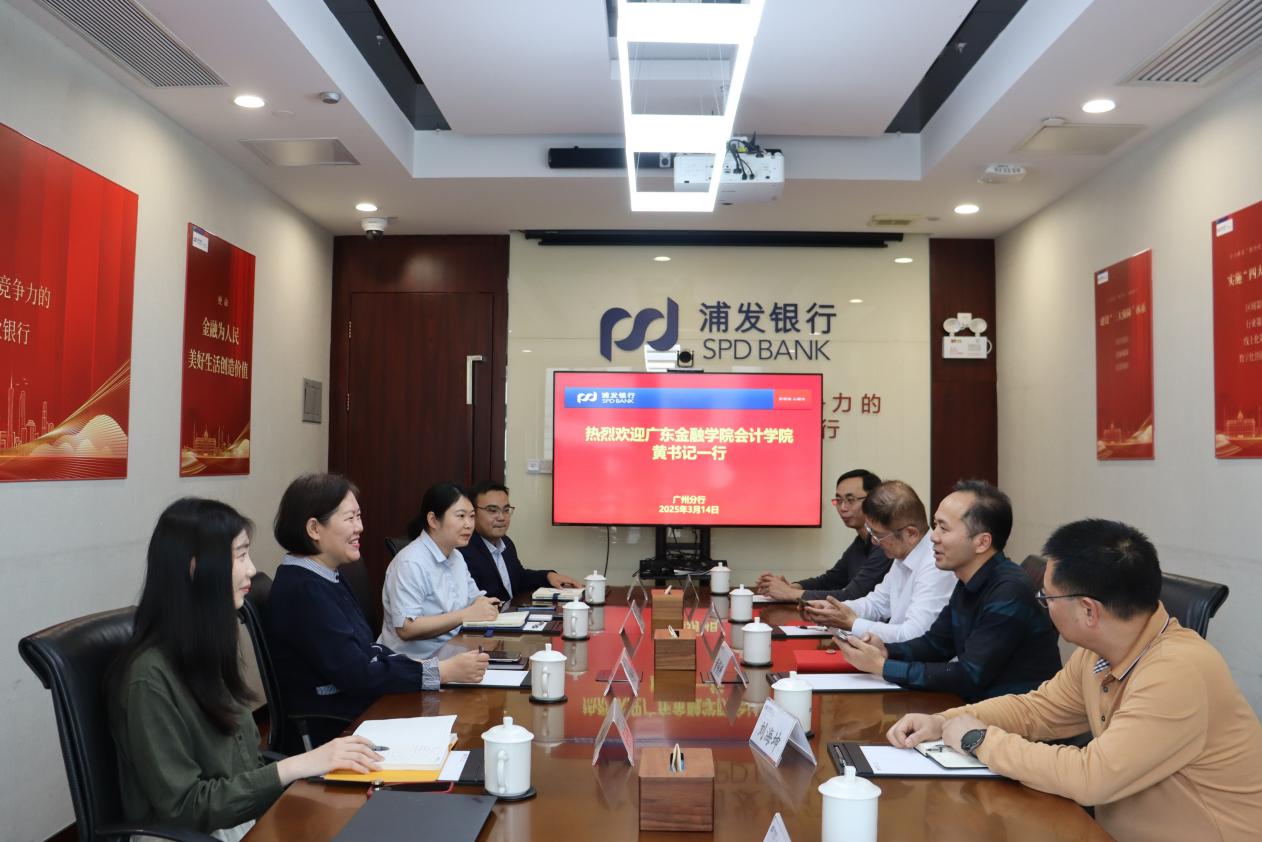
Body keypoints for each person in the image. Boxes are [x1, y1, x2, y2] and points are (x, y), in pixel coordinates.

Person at [887, 519, 1262, 842]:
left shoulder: (1177, 671)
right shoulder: (1099, 653)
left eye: (1047, 597)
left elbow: (1092, 776)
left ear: (1088, 610)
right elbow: (1037, 710)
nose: (1043, 605)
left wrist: (979, 740)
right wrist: (945, 721)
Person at [108, 498, 384, 840]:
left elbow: (243, 766)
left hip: (238, 818)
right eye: (240, 556)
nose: (251, 569)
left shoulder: (206, 650)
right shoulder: (149, 678)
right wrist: (297, 765)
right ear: (196, 568)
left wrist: (313, 766)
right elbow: (185, 808)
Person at [266, 474, 486, 743]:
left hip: (363, 706)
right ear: (314, 528)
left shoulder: (325, 575)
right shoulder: (305, 591)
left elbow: (367, 651)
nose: (360, 527)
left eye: (359, 517)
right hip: (338, 728)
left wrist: (428, 667)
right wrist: (441, 672)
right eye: (350, 518)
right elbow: (359, 675)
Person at [837, 480, 1060, 701]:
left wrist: (883, 666)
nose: (933, 537)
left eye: (944, 528)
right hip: (978, 706)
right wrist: (886, 650)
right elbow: (935, 644)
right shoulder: (967, 580)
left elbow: (970, 675)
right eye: (935, 525)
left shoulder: (1008, 590)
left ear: (982, 543)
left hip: (1014, 715)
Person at [800, 480, 954, 643]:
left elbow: (914, 635)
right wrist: (835, 610)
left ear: (910, 533)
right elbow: (876, 604)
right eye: (871, 533)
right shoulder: (904, 554)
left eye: (879, 536)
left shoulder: (936, 565)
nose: (874, 542)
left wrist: (852, 623)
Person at [378, 481, 500, 660]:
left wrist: (484, 604)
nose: (469, 524)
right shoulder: (411, 562)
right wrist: (465, 615)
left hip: (453, 651)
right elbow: (406, 628)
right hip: (414, 664)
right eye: (461, 516)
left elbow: (473, 598)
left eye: (472, 516)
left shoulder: (456, 556)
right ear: (433, 520)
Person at [755, 468, 891, 602]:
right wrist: (792, 587)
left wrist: (790, 593)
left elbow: (853, 595)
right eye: (839, 500)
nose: (842, 508)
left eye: (850, 500)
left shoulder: (886, 544)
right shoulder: (860, 541)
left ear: (873, 500)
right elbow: (831, 580)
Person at [459, 480, 581, 601]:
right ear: (473, 513)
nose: (501, 517)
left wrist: (548, 576)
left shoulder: (506, 543)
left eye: (506, 510)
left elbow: (519, 578)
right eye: (492, 510)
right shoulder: (464, 551)